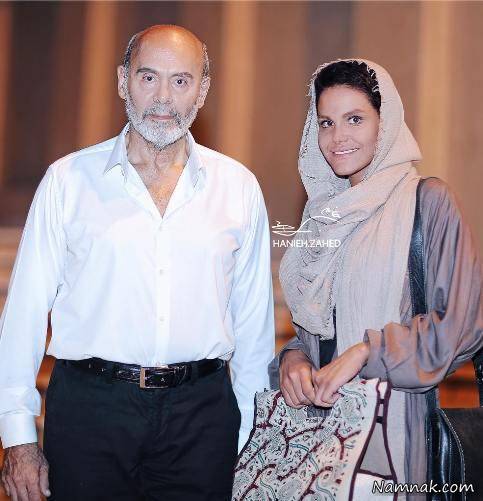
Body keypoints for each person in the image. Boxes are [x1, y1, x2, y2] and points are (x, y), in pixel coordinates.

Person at [0, 25, 274, 501]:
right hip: (90, 412)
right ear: (123, 81)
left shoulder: (238, 188)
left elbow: (254, 330)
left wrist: (253, 442)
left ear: (203, 90)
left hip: (201, 417)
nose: (163, 97)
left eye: (181, 80)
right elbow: (23, 314)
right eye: (149, 77)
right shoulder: (67, 181)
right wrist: (18, 436)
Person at [269, 59, 482, 488]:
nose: (338, 137)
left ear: (386, 122)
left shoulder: (428, 202)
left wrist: (367, 352)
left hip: (393, 439)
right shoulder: (322, 219)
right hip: (320, 442)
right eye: (326, 122)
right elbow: (320, 332)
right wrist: (294, 358)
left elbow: (460, 328)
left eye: (355, 119)